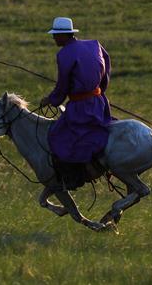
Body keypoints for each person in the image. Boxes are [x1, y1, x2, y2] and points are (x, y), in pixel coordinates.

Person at [39, 17, 115, 189]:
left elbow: (62, 85)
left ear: (65, 35)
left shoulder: (64, 55)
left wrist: (51, 100)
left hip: (81, 107)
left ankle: (76, 176)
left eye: (56, 35)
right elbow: (107, 63)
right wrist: (100, 90)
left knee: (57, 135)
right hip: (99, 102)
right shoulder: (94, 44)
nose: (54, 38)